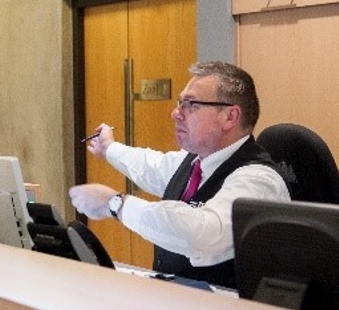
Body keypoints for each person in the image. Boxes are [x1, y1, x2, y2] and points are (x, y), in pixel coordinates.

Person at [69, 61, 290, 288]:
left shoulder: (258, 180)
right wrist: (108, 148)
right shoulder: (195, 162)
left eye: (191, 104)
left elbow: (203, 234)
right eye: (179, 103)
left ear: (230, 117)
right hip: (180, 307)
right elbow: (151, 166)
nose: (176, 113)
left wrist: (115, 204)